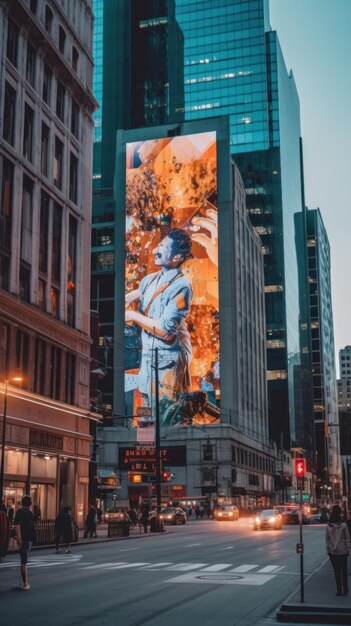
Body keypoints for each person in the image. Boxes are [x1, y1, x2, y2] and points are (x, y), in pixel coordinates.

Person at [125, 228, 193, 424]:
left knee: (165, 420)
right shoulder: (148, 281)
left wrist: (132, 315)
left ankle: (161, 450)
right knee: (146, 417)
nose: (156, 250)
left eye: (162, 247)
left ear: (177, 256)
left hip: (168, 363)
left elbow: (165, 330)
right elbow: (126, 300)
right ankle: (146, 448)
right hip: (147, 359)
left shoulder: (182, 287)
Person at [326, 504, 351, 596]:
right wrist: (348, 549)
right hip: (343, 551)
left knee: (336, 572)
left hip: (333, 552)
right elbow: (347, 538)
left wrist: (328, 549)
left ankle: (339, 590)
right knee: (344, 571)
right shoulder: (343, 525)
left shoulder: (329, 526)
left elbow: (327, 539)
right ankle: (346, 590)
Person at [13, 495, 36, 590]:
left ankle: (25, 584)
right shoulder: (30, 513)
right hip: (30, 539)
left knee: (23, 562)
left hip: (24, 539)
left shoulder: (19, 512)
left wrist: (19, 538)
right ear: (30, 504)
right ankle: (25, 582)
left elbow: (17, 525)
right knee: (24, 561)